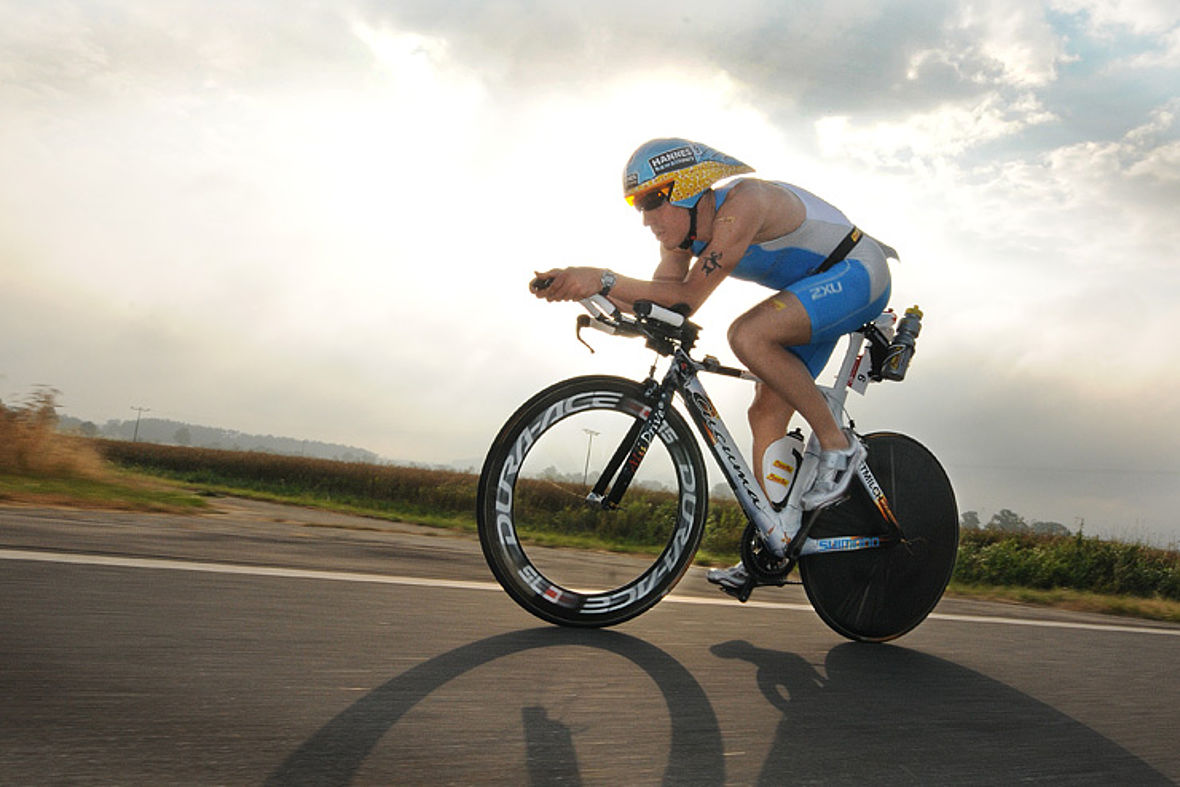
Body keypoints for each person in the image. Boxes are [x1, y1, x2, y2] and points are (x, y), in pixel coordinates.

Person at [531, 137, 895, 595]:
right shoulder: (681, 243)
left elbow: (686, 299)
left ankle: (837, 446)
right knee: (764, 414)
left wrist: (602, 276)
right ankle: (778, 538)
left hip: (859, 274)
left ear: (685, 189)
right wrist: (587, 291)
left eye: (651, 202)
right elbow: (662, 302)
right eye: (636, 207)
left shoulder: (743, 204)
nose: (645, 219)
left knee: (747, 335)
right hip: (813, 295)